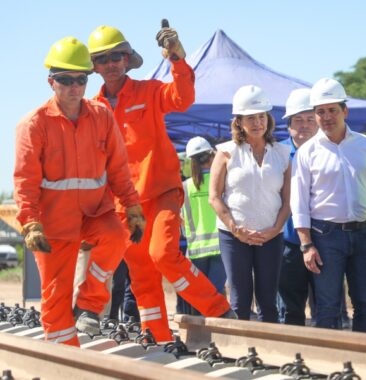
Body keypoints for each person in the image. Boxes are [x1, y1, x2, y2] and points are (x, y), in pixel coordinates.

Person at [82, 24, 233, 340]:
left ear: (127, 59)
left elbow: (182, 97)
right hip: (124, 205)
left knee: (164, 255)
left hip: (161, 192)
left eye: (116, 56)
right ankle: (158, 337)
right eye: (102, 59)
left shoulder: (148, 91)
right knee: (141, 275)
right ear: (94, 67)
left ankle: (219, 310)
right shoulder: (92, 111)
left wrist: (177, 58)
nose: (110, 63)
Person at [14, 37, 144, 346]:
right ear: (51, 82)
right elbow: (25, 180)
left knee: (116, 235)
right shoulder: (34, 125)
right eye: (65, 79)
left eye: (81, 79)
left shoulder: (101, 116)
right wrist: (30, 222)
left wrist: (133, 207)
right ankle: (65, 359)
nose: (74, 86)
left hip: (94, 212)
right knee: (55, 302)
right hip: (54, 224)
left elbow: (118, 170)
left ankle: (88, 304)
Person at [291, 78, 366, 333]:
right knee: (328, 306)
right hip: (324, 237)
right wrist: (306, 244)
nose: (326, 116)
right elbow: (299, 201)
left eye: (332, 110)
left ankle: (364, 363)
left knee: (365, 303)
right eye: (320, 111)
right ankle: (330, 365)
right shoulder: (307, 152)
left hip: (363, 234)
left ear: (345, 111)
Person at [209, 85, 291, 322]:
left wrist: (275, 229)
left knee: (268, 300)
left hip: (271, 236)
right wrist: (235, 228)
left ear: (268, 118)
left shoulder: (282, 153)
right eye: (251, 118)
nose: (258, 123)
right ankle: (240, 352)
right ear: (239, 122)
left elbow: (287, 200)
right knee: (239, 299)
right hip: (233, 236)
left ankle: (270, 352)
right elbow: (214, 196)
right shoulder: (225, 152)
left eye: (261, 116)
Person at [277, 89, 319, 325]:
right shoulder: (277, 153)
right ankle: (292, 357)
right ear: (289, 124)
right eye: (298, 120)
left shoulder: (327, 150)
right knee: (290, 310)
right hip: (288, 244)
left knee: (325, 306)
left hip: (323, 240)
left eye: (309, 119)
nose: (304, 125)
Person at [180, 136, 227, 315]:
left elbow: (181, 219)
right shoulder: (222, 182)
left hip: (195, 249)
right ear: (211, 155)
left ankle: (200, 332)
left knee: (200, 294)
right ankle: (216, 332)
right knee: (215, 293)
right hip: (220, 246)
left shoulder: (185, 186)